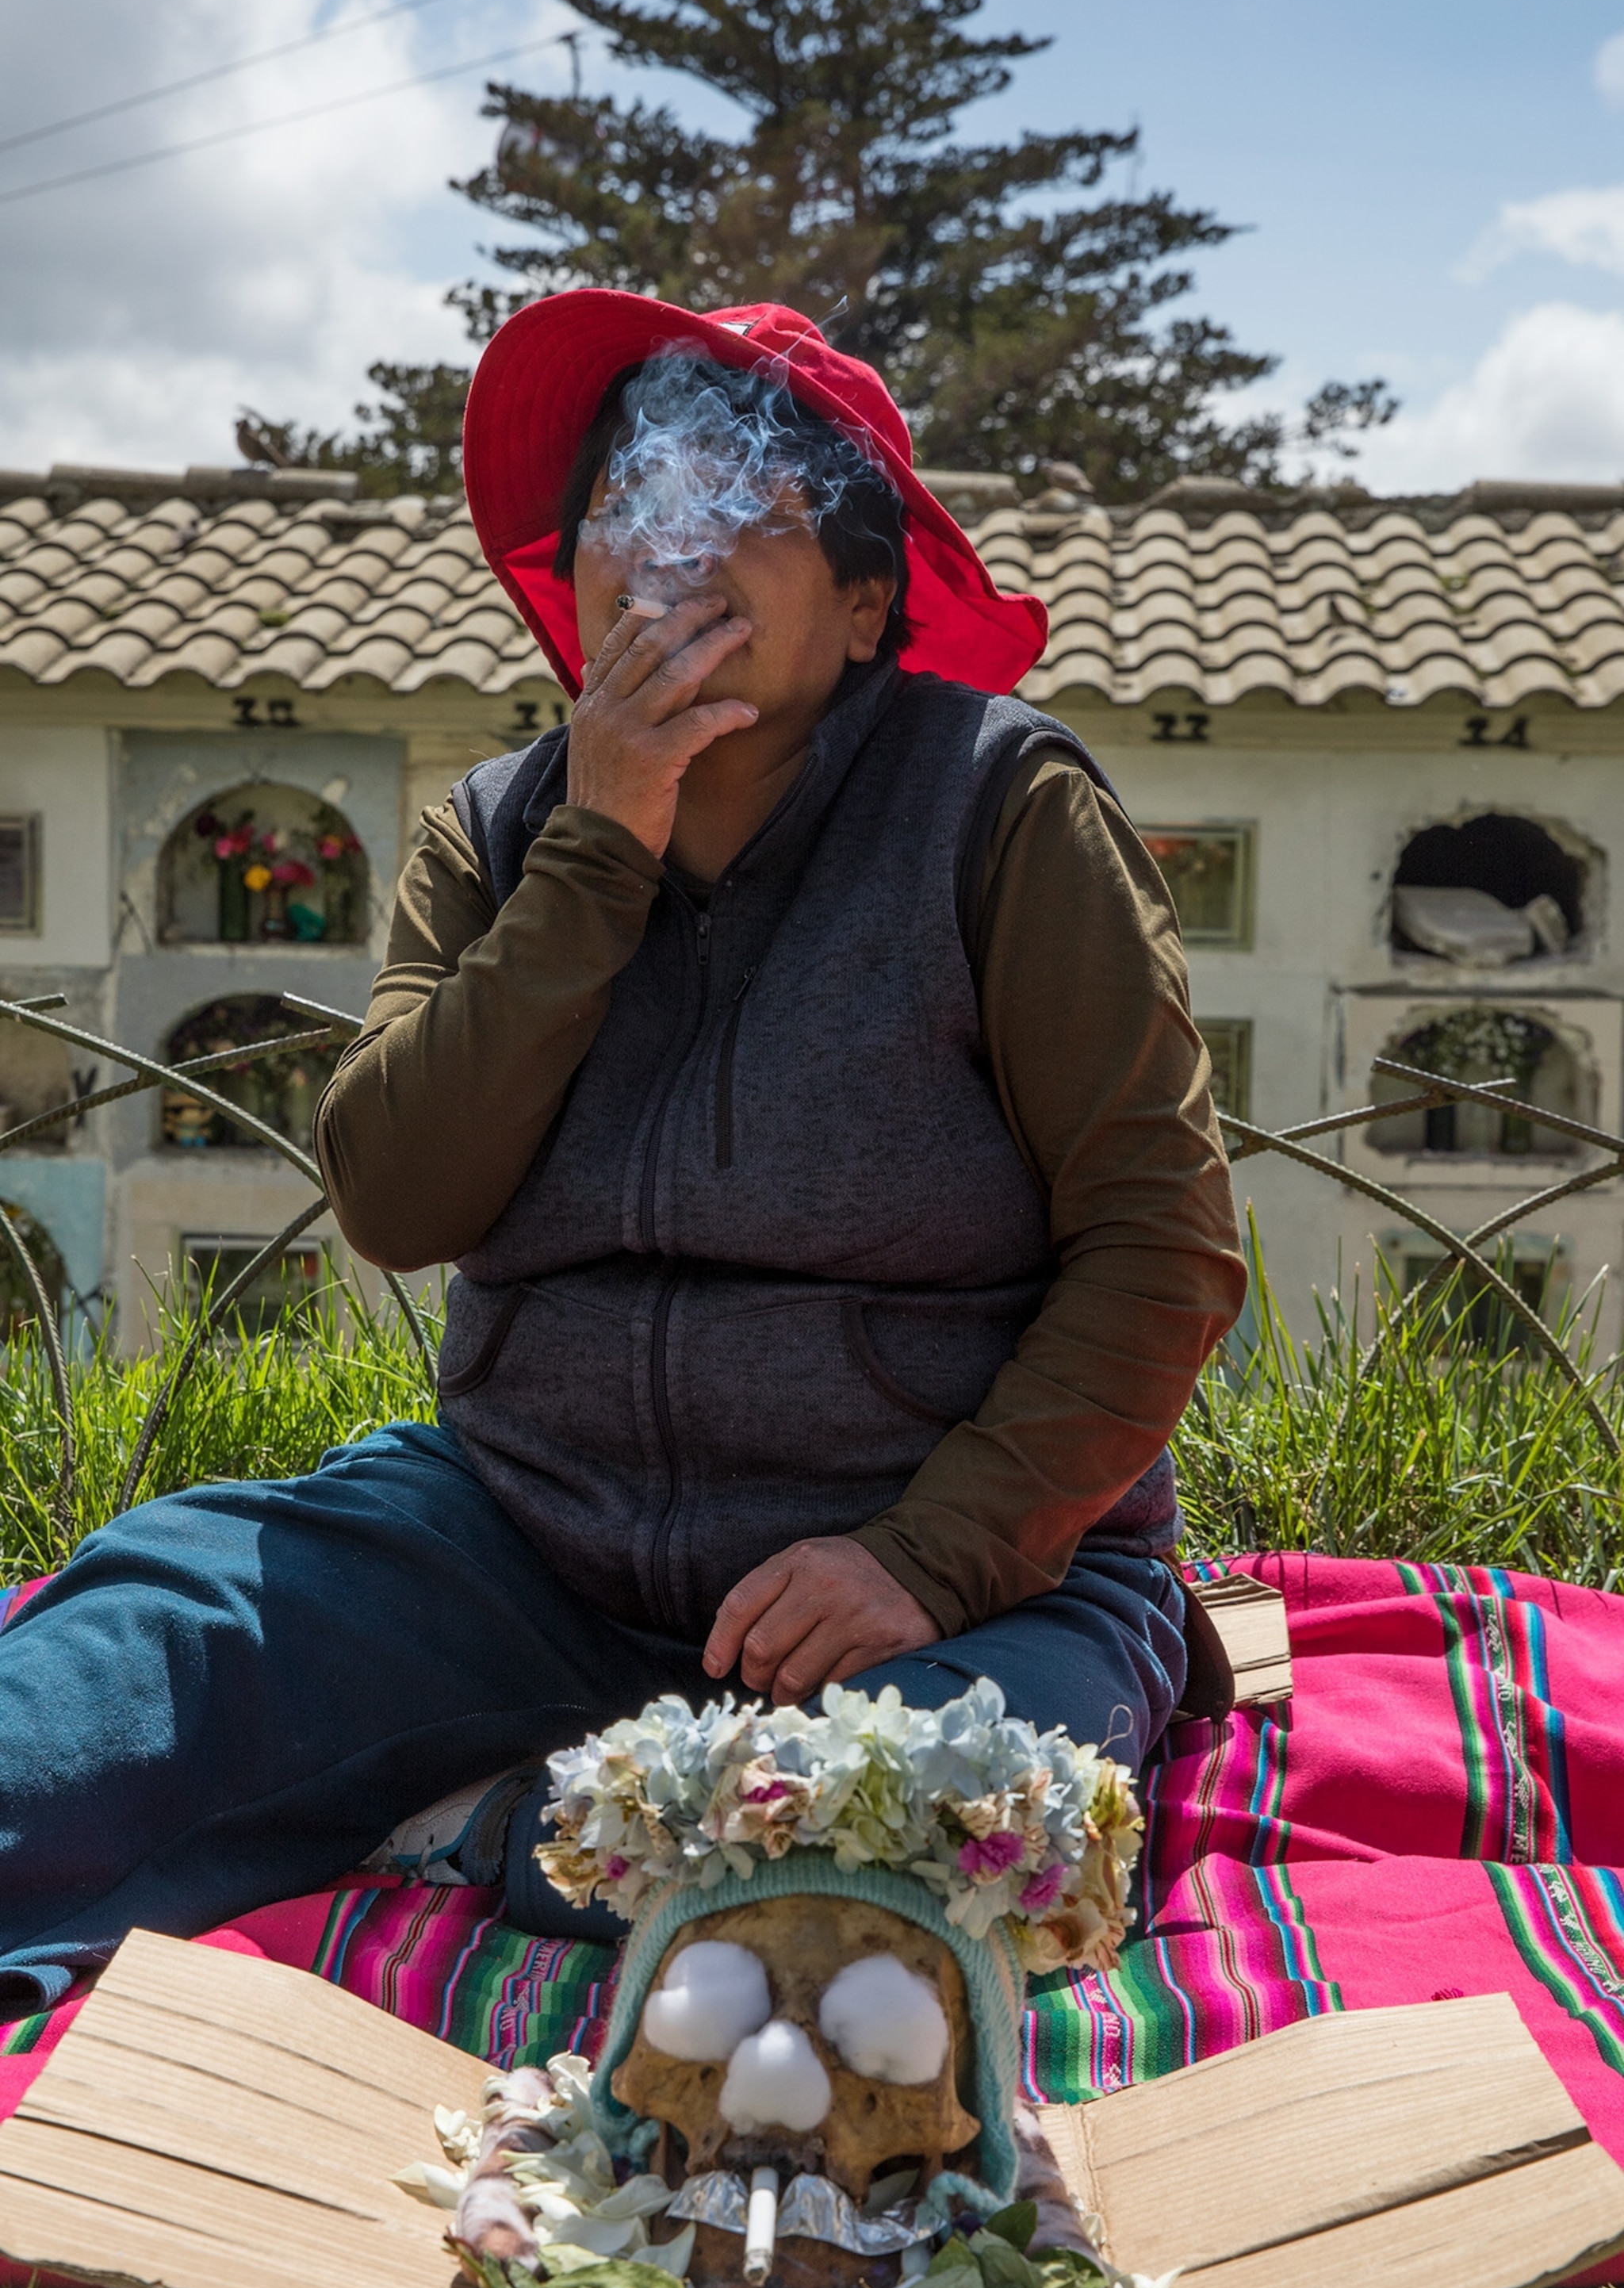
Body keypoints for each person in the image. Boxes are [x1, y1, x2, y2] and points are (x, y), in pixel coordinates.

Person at [0, 296, 1244, 2018]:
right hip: (527, 1537)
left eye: (757, 513)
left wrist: (925, 1555)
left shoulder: (1002, 814)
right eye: (632, 511)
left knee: (861, 1883)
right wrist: (599, 848)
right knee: (107, 1672)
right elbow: (397, 1197)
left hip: (946, 1574)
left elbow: (1160, 1251)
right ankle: (534, 1796)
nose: (678, 555)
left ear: (868, 603)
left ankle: (507, 1823)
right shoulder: (502, 831)